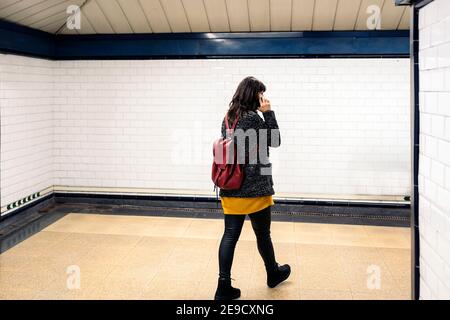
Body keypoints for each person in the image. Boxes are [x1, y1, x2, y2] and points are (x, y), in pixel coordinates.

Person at [214, 76, 291, 300]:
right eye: (261, 94)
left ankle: (223, 285)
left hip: (230, 185)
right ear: (254, 95)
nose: (263, 98)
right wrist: (268, 113)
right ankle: (273, 273)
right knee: (263, 234)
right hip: (255, 187)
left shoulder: (227, 118)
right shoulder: (253, 118)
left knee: (229, 235)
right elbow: (275, 142)